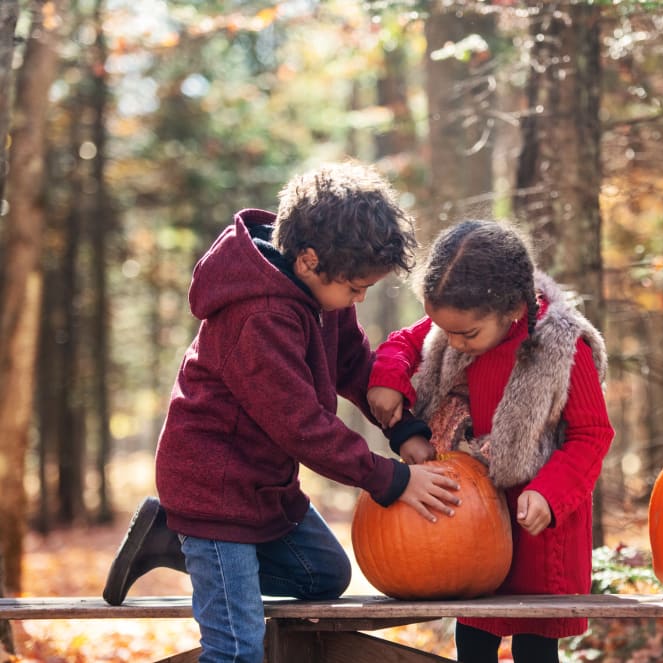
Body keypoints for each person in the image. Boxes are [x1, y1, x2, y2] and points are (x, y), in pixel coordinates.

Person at [102, 161, 462, 663]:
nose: (357, 298)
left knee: (323, 576)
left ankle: (169, 539)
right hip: (215, 492)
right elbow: (303, 428)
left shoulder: (322, 293)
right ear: (310, 262)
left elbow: (352, 361)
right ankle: (195, 543)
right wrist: (392, 480)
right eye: (355, 288)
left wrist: (402, 428)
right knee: (236, 649)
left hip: (264, 486)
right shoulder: (258, 318)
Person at [367, 220, 614, 663]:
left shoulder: (561, 348)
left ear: (514, 309)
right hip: (472, 525)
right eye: (447, 333)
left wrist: (550, 494)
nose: (456, 344)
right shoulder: (458, 322)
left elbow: (591, 434)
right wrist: (387, 378)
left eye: (467, 335)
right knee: (475, 641)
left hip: (536, 522)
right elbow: (404, 342)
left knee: (534, 648)